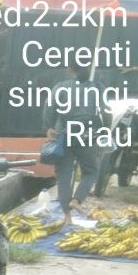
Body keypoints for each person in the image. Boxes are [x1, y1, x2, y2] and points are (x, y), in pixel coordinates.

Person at [44, 64, 102, 220]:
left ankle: (67, 217)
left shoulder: (60, 87)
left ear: (70, 69)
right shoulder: (97, 87)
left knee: (64, 176)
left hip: (63, 134)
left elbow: (49, 107)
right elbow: (105, 111)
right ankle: (77, 200)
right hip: (87, 136)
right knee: (90, 171)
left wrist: (49, 126)